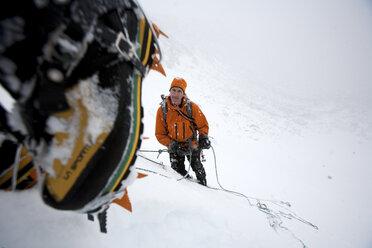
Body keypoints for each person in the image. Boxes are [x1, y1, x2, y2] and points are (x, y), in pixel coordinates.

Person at [155, 78, 211, 185]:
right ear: (169, 91)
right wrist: (171, 144)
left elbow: (202, 124)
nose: (175, 94)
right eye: (174, 90)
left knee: (198, 168)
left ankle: (203, 187)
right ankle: (188, 190)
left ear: (183, 94)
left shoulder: (191, 107)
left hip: (192, 145)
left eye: (179, 91)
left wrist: (203, 136)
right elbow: (160, 133)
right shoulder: (163, 110)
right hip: (175, 147)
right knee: (177, 173)